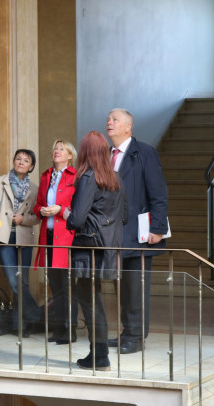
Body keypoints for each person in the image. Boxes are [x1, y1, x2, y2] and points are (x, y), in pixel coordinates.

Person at [105, 108, 169, 354]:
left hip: (137, 233)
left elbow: (158, 192)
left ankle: (135, 336)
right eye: (108, 119)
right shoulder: (106, 154)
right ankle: (127, 332)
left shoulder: (144, 153)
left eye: (115, 119)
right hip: (112, 234)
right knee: (121, 286)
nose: (109, 122)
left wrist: (158, 227)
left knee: (135, 286)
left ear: (128, 127)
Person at [65, 131, 128, 371]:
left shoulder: (89, 177)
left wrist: (67, 215)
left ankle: (100, 357)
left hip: (87, 249)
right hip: (109, 247)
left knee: (91, 303)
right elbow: (125, 216)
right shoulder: (116, 177)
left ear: (85, 152)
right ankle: (98, 355)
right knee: (96, 302)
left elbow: (77, 219)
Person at [0, 149, 42, 336]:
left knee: (24, 282)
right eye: (18, 158)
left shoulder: (35, 189)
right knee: (14, 281)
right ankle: (35, 313)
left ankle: (19, 325)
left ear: (31, 166)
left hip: (24, 237)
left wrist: (24, 219)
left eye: (26, 160)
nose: (21, 162)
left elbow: (37, 215)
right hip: (4, 236)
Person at [33, 140, 78, 344]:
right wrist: (41, 211)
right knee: (55, 284)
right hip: (48, 236)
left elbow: (78, 207)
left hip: (67, 237)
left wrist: (60, 209)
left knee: (67, 285)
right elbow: (38, 205)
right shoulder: (46, 176)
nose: (56, 151)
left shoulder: (76, 176)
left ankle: (71, 329)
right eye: (55, 148)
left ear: (70, 156)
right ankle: (59, 328)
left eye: (62, 148)